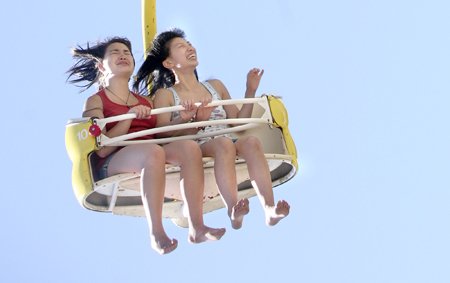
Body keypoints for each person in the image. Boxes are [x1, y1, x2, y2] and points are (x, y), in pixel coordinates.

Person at [66, 37, 225, 255]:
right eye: (115, 52)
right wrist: (128, 118)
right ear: (102, 65)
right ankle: (156, 232)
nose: (123, 55)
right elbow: (102, 148)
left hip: (152, 150)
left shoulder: (147, 101)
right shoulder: (97, 101)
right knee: (153, 153)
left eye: (127, 52)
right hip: (115, 158)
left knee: (189, 148)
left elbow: (161, 135)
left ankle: (196, 226)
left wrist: (186, 119)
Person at [133, 28, 290, 229]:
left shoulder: (215, 86)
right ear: (169, 63)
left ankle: (269, 207)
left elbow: (237, 122)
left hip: (226, 139)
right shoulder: (166, 95)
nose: (190, 48)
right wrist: (190, 120)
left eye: (189, 44)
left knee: (251, 142)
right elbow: (162, 132)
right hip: (197, 145)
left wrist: (250, 90)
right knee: (224, 144)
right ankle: (233, 208)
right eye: (181, 46)